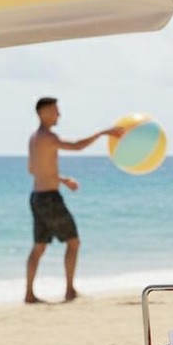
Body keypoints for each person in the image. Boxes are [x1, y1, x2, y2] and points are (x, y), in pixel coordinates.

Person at [25, 97, 122, 304]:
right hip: (49, 198)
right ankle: (69, 291)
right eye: (55, 111)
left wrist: (61, 180)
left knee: (39, 247)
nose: (59, 115)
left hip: (37, 197)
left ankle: (29, 294)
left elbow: (34, 169)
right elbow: (77, 146)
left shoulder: (34, 138)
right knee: (73, 242)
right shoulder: (48, 137)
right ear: (42, 113)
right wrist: (102, 133)